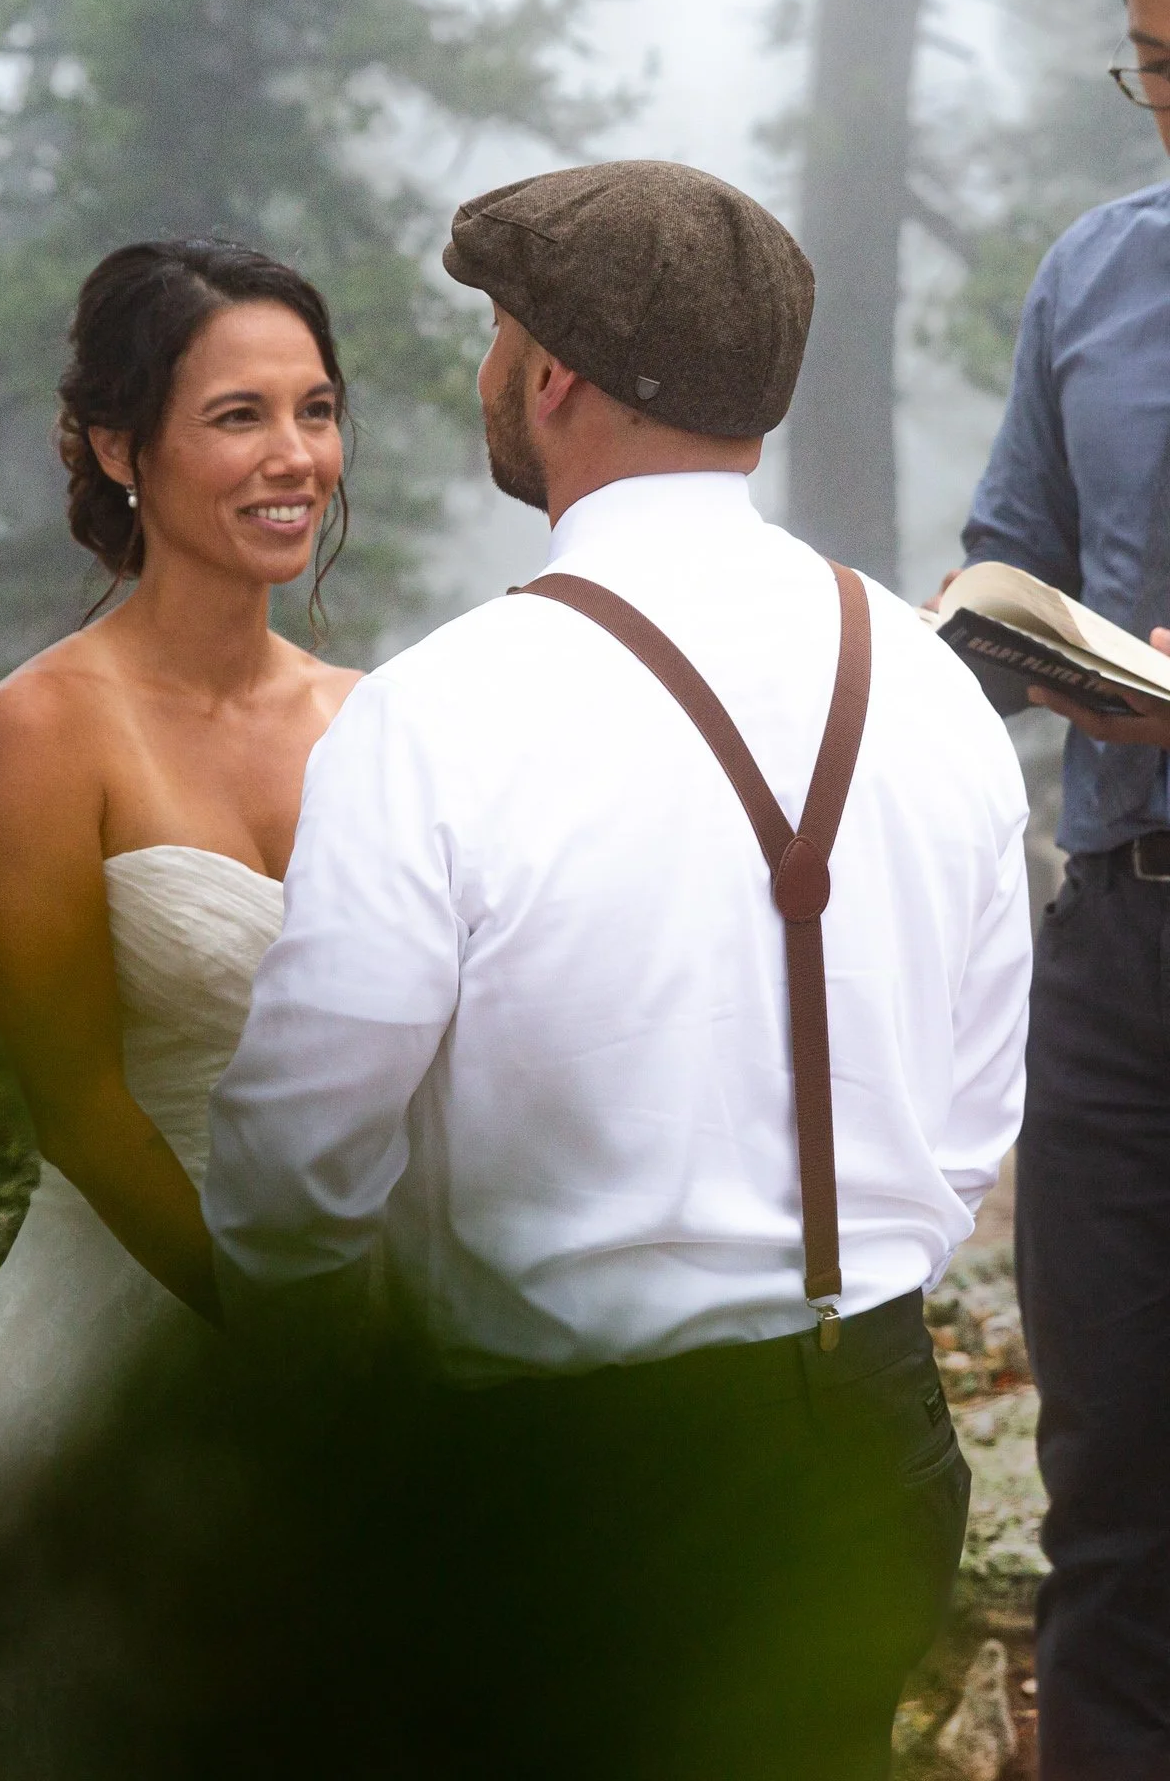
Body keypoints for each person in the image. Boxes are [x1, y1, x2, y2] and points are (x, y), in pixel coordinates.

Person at [203, 160, 1032, 1780]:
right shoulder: (930, 685)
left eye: (498, 336)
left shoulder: (441, 712)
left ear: (555, 375)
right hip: (873, 1436)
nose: (488, 371)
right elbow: (965, 1113)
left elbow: (294, 1175)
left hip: (565, 1469)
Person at [0, 238, 359, 1765]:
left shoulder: (378, 721)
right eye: (238, 417)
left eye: (316, 410)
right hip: (125, 1326)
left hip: (369, 1322)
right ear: (120, 447)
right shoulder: (37, 734)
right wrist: (273, 1340)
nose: (294, 459)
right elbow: (76, 1104)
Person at [951, 0, 1170, 1781]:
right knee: (1110, 1485)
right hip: (1123, 942)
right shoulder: (1095, 274)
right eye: (1153, 69)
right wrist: (1025, 651)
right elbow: (1007, 569)